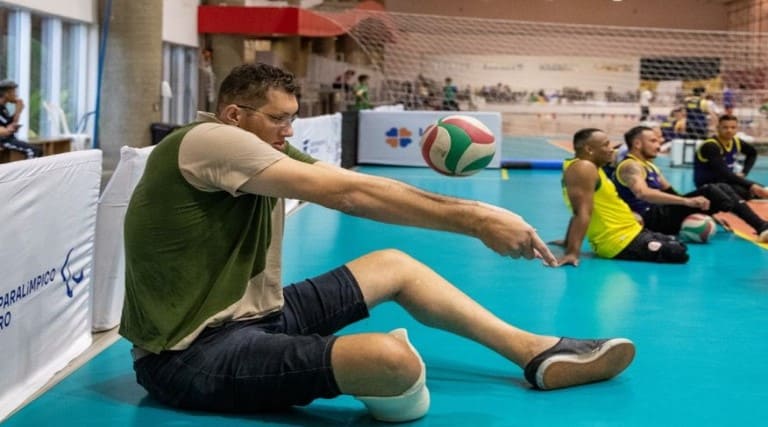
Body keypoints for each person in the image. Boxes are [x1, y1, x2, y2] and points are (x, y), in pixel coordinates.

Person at [120, 63, 636, 422]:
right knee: (394, 363)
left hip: (260, 315)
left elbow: (361, 184)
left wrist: (477, 213)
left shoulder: (260, 147)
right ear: (235, 114)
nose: (289, 131)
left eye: (292, 119)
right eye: (278, 119)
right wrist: (478, 218)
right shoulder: (210, 140)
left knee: (394, 265)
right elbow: (351, 193)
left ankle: (536, 353)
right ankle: (385, 374)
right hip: (190, 356)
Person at [556, 128, 689, 267]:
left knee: (678, 244)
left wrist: (567, 241)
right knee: (677, 251)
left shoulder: (592, 167)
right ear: (589, 149)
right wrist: (572, 252)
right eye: (606, 145)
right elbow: (581, 212)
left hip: (630, 230)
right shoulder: (584, 167)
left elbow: (579, 207)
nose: (611, 150)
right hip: (619, 240)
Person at [613, 125, 768, 242]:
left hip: (662, 214)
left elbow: (670, 192)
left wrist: (709, 214)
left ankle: (761, 226)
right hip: (649, 219)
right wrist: (686, 201)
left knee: (721, 187)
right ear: (638, 144)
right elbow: (643, 193)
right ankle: (761, 226)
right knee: (710, 190)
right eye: (653, 141)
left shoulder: (650, 165)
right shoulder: (630, 165)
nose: (659, 145)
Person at [694, 114, 768, 201]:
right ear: (718, 128)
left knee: (762, 189)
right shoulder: (711, 146)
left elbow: (752, 153)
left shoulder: (735, 141)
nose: (729, 130)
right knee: (748, 192)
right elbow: (725, 173)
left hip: (726, 182)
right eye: (725, 127)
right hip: (709, 185)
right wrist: (751, 185)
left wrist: (744, 172)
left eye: (733, 127)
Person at [0, 79, 41, 159]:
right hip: (3, 141)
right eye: (13, 92)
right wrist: (18, 111)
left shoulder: (3, 108)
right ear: (6, 94)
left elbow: (10, 125)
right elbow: (8, 130)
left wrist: (18, 110)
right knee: (33, 151)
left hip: (8, 138)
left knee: (37, 150)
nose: (16, 95)